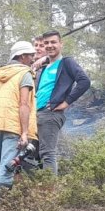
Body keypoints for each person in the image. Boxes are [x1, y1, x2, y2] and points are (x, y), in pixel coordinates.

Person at [0, 41, 37, 197]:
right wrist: (24, 133)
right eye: (31, 55)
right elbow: (24, 104)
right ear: (22, 56)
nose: (33, 58)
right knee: (7, 169)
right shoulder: (24, 74)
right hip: (13, 128)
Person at [36, 30, 90, 175]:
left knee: (47, 154)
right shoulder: (44, 68)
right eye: (46, 43)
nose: (49, 45)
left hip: (50, 114)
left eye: (53, 42)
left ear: (61, 44)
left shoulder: (67, 63)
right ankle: (35, 192)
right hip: (36, 114)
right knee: (31, 155)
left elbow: (84, 81)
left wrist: (66, 102)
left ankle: (50, 193)